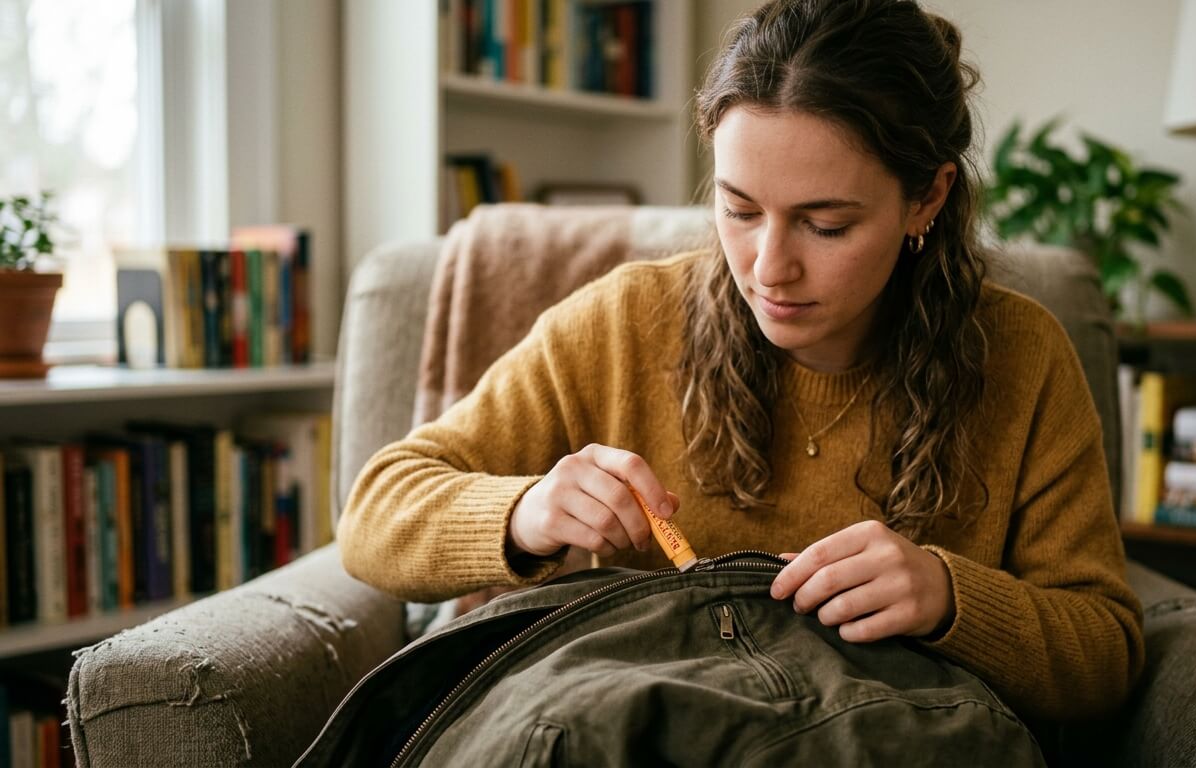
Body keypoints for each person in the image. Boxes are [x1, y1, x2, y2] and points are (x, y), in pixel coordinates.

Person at [338, 0, 1144, 723]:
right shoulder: (626, 322)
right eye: (739, 209)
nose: (767, 267)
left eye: (825, 224)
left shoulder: (1022, 354)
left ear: (927, 198)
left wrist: (945, 597)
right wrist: (527, 514)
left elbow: (1105, 656)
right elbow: (373, 516)